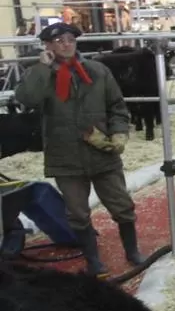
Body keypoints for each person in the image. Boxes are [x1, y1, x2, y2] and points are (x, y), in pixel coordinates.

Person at [14, 21, 145, 276]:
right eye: (59, 40)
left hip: (101, 152)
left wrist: (119, 132)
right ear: (48, 45)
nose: (66, 44)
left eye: (70, 40)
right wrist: (43, 67)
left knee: (122, 206)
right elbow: (26, 99)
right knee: (77, 213)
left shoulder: (97, 70)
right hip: (66, 157)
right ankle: (93, 259)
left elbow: (117, 106)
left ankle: (132, 251)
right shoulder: (40, 75)